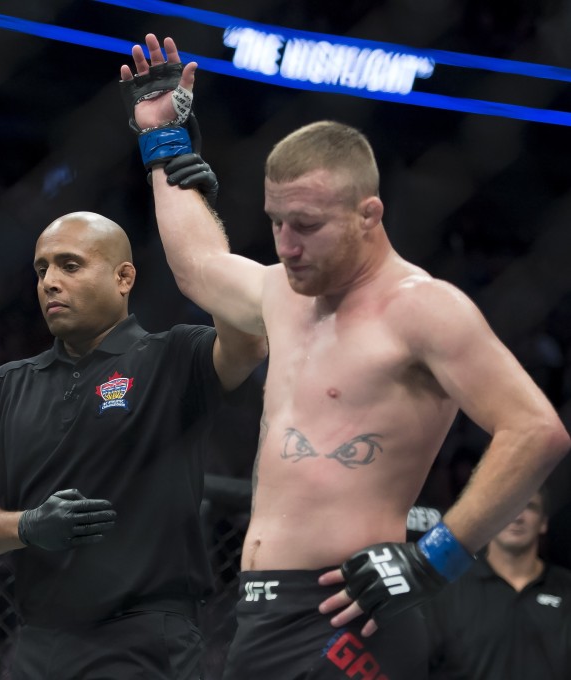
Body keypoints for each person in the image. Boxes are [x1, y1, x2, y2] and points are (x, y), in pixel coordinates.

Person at [119, 33, 570, 679]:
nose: (287, 243)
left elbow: (536, 430)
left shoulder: (422, 308)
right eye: (276, 222)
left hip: (348, 612)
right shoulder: (281, 292)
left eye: (306, 224)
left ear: (368, 214)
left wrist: (434, 558)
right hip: (259, 610)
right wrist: (162, 139)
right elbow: (198, 266)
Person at [0, 211, 268, 679]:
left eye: (70, 265)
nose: (50, 283)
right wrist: (29, 525)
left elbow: (247, 345)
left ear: (124, 277)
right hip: (38, 640)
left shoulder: (172, 356)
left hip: (144, 637)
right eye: (42, 270)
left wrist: (203, 231)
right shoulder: (3, 386)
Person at [424, 488, 571, 679]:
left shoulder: (567, 587)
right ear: (490, 517)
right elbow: (418, 666)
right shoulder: (449, 587)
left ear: (544, 522)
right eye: (508, 506)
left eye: (530, 507)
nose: (517, 516)